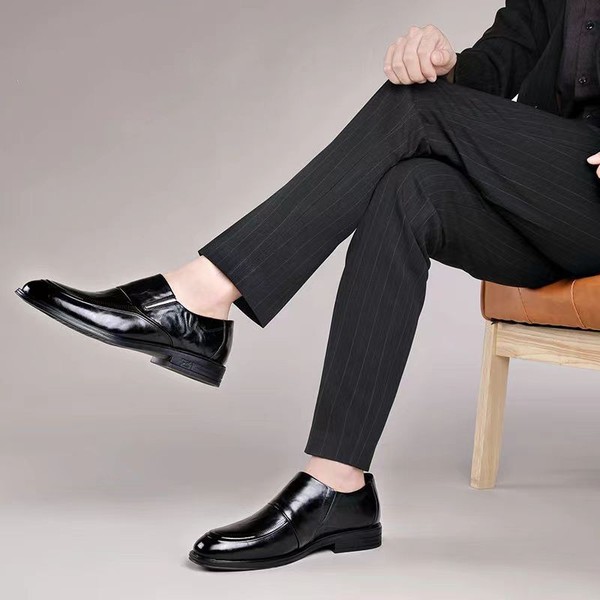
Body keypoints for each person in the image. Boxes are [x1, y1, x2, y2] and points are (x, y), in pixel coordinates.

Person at [15, 0, 600, 571]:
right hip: (548, 198)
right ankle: (338, 484)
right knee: (408, 188)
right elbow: (505, 59)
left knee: (417, 111)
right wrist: (446, 68)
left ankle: (201, 298)